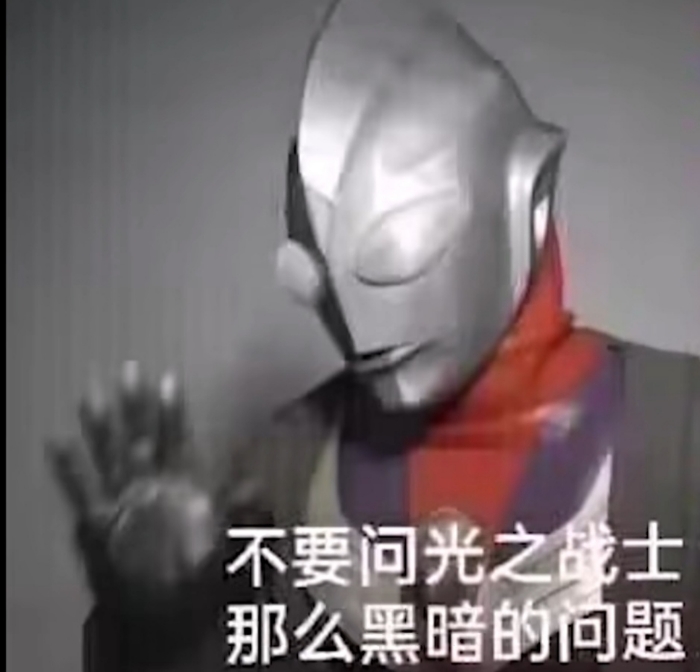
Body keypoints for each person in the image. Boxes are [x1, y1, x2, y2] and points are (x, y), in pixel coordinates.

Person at [47, 0, 700, 670]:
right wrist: (163, 627)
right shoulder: (280, 472)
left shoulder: (681, 443)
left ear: (526, 200)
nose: (356, 325)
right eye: (315, 271)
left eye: (390, 255)